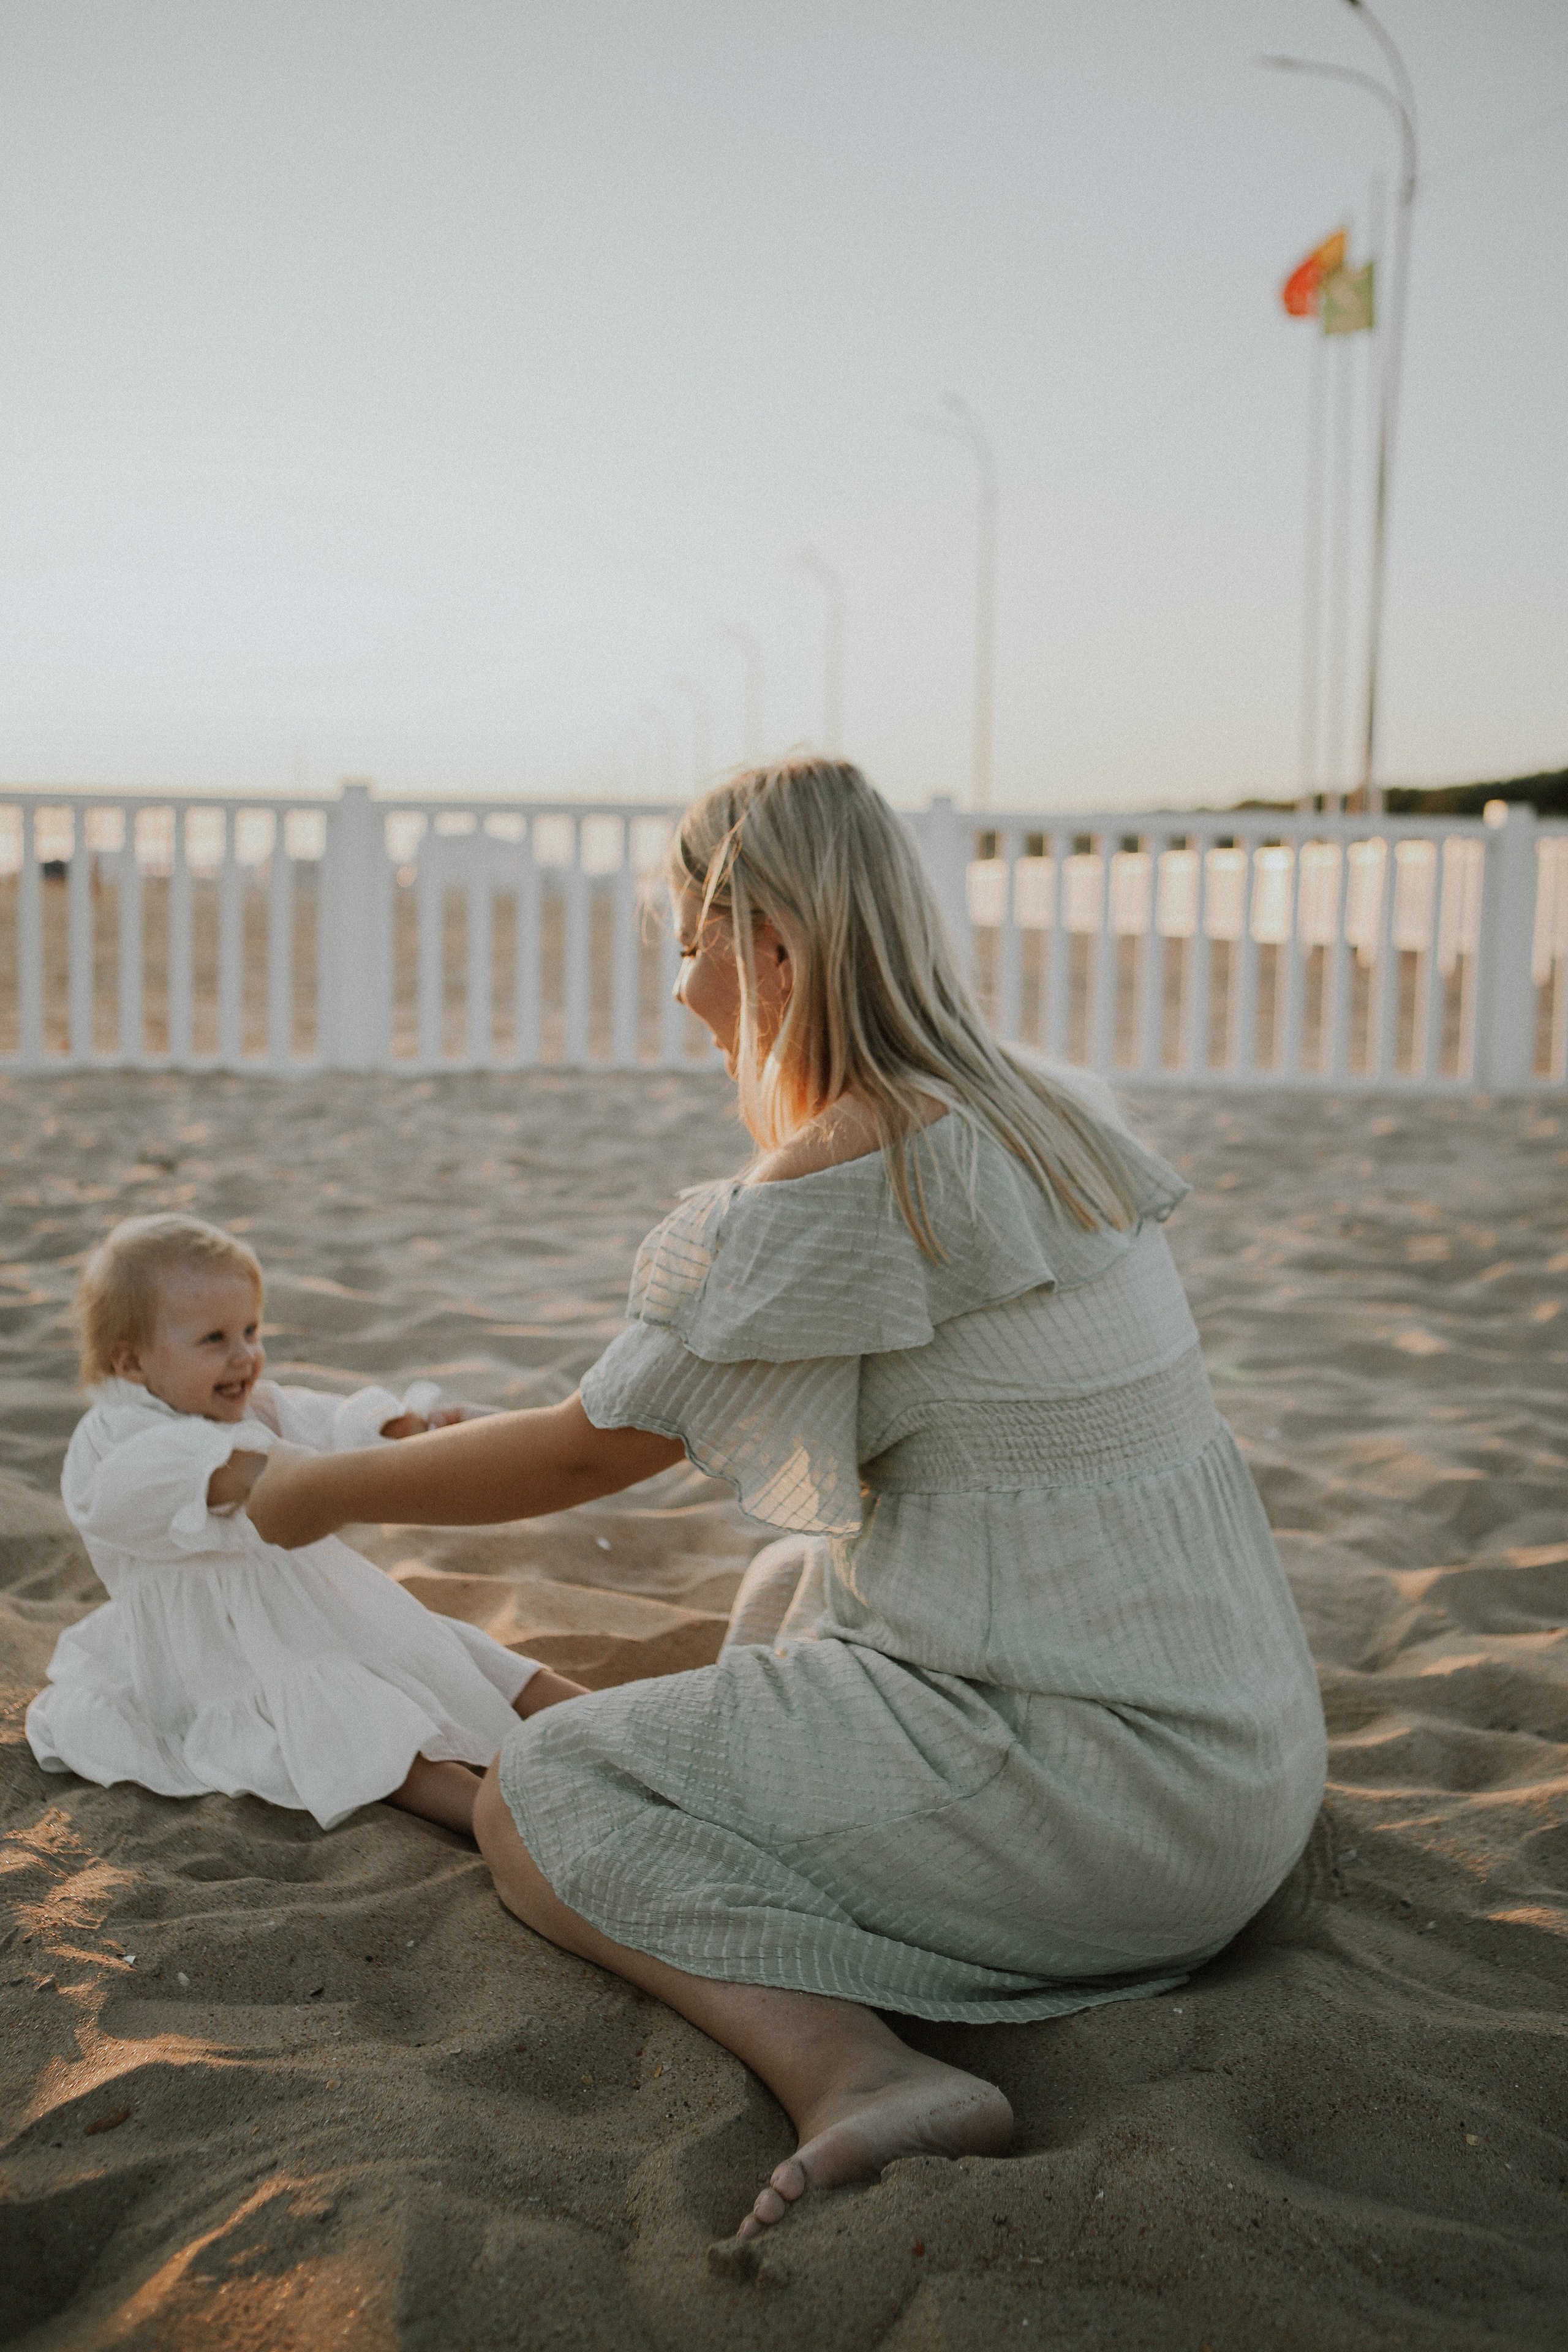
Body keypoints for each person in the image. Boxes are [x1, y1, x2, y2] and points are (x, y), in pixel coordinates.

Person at [242, 760, 1327, 2239]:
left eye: (687, 939)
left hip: (1105, 1822)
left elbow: (583, 1450)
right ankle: (690, 1796)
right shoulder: (1043, 1112)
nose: (679, 986)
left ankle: (855, 2066)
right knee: (780, 1588)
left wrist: (313, 1489)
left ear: (770, 949)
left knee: (536, 1804)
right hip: (1243, 1775)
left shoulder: (852, 1171)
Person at [26, 1213, 582, 1834]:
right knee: (374, 1734)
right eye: (214, 1339)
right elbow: (225, 1472)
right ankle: (509, 1823)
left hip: (321, 1611)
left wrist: (414, 1429)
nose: (245, 1356)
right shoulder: (114, 1444)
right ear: (131, 1363)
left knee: (470, 1661)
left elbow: (327, 1422)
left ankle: (624, 1729)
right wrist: (296, 1469)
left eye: (251, 1330)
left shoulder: (252, 1405)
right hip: (229, 1655)